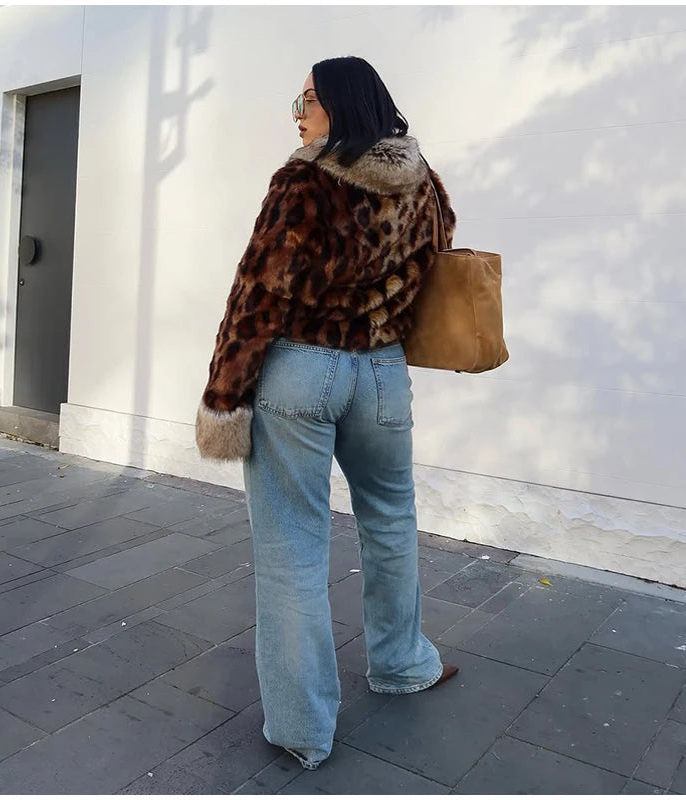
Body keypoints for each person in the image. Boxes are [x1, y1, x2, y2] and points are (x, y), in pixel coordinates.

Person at [195, 56, 459, 770]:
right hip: (382, 372)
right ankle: (403, 663)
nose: (297, 113)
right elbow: (436, 257)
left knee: (291, 548)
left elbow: (257, 293)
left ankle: (303, 729)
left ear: (338, 101)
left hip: (302, 370)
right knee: (391, 519)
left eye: (305, 98)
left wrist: (224, 398)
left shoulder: (303, 179)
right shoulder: (425, 184)